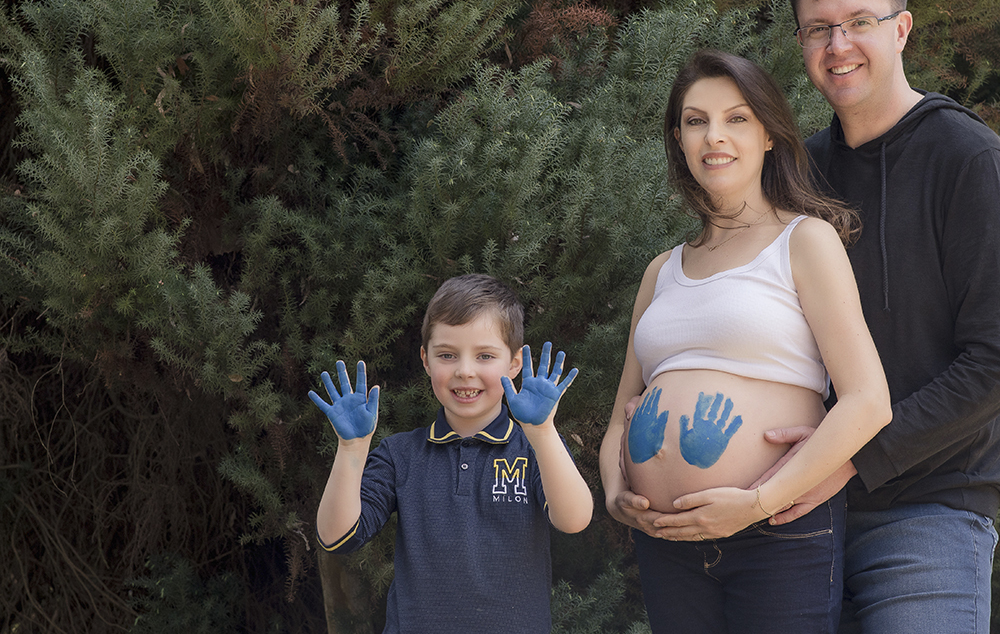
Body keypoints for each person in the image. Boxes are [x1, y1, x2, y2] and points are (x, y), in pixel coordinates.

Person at [752, 0, 1000, 633]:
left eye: (859, 22)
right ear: (801, 43)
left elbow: (997, 364)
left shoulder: (967, 159)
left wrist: (850, 457)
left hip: (929, 513)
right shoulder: (798, 175)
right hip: (801, 514)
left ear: (901, 29)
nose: (838, 44)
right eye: (819, 29)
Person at [599, 49, 893, 634]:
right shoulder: (662, 271)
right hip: (668, 542)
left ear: (767, 136)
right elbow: (615, 424)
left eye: (736, 118)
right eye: (695, 120)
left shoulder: (804, 241)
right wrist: (615, 494)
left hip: (775, 531)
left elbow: (868, 401)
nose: (715, 136)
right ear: (679, 141)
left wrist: (757, 502)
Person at [309, 273, 593, 634]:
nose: (464, 371)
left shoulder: (535, 448)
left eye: (485, 355)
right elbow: (338, 537)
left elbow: (574, 519)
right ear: (426, 360)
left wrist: (542, 431)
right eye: (447, 355)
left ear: (515, 363)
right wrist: (351, 449)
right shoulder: (399, 455)